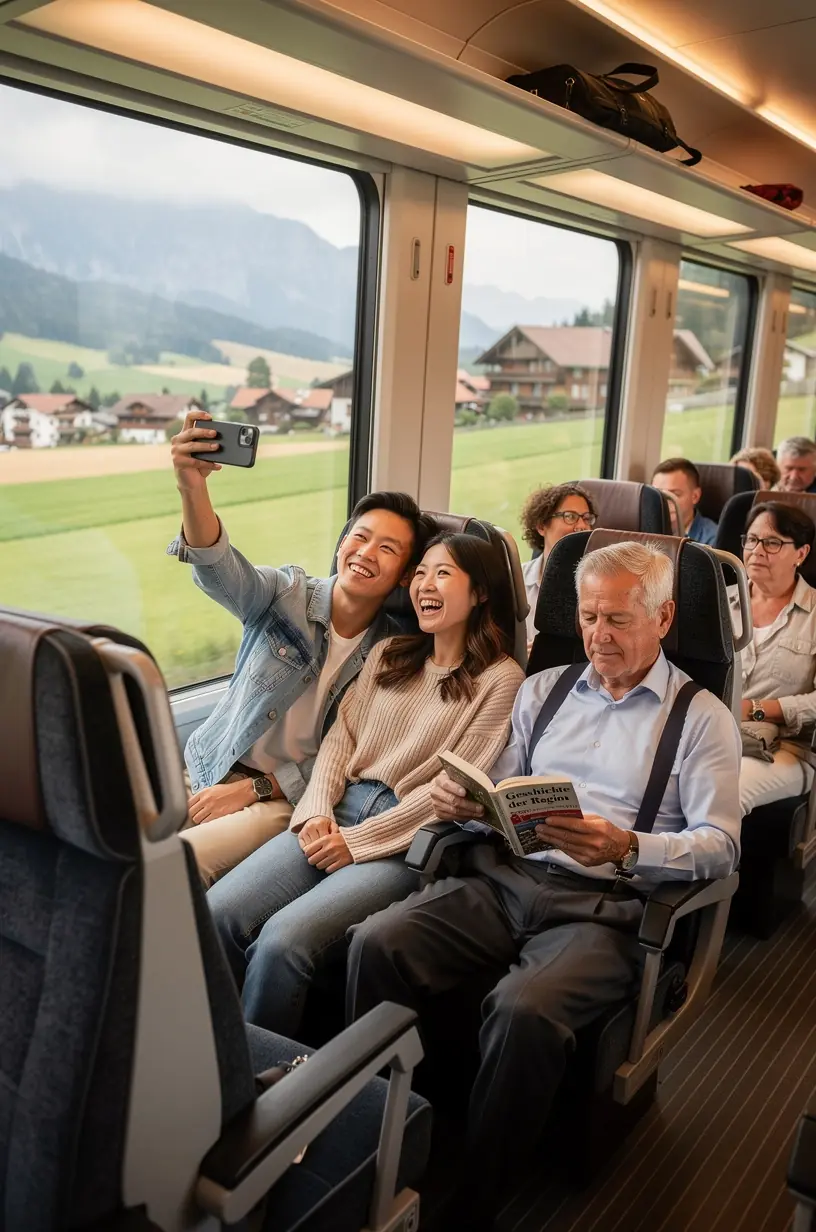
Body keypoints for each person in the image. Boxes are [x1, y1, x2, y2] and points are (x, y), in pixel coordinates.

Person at [346, 541, 741, 1232]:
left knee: (523, 1009)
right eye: (588, 617)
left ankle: (476, 1197)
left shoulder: (702, 719)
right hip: (506, 877)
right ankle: (381, 1134)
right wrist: (467, 802)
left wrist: (629, 845)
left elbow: (722, 847)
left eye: (617, 619)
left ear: (666, 616)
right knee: (375, 944)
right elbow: (501, 785)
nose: (598, 635)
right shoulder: (544, 688)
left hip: (608, 907)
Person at [209, 531, 525, 1035]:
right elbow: (339, 741)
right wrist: (315, 812)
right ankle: (213, 1056)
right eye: (420, 572)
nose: (425, 584)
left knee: (281, 942)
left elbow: (451, 788)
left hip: (405, 841)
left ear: (481, 591)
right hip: (336, 812)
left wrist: (355, 844)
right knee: (218, 912)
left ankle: (268, 1089)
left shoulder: (501, 679)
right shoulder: (391, 655)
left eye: (443, 573)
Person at [167, 408, 436, 886]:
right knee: (113, 848)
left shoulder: (397, 652)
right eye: (360, 537)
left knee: (177, 865)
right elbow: (219, 569)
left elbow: (356, 757)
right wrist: (193, 486)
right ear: (341, 543)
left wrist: (256, 789)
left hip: (283, 798)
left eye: (388, 550)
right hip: (211, 762)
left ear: (405, 574)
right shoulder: (284, 593)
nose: (366, 554)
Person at [733, 502, 816, 814]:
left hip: (788, 748)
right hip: (714, 735)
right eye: (751, 540)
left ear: (801, 554)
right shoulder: (719, 602)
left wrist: (755, 710)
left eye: (773, 542)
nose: (757, 550)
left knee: (725, 792)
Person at [520, 481, 598, 647]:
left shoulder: (598, 583)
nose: (582, 526)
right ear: (541, 525)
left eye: (586, 518)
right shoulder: (516, 579)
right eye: (570, 517)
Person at [651, 457, 718, 544]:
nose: (665, 502)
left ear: (695, 496)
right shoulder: (643, 530)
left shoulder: (712, 540)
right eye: (659, 494)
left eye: (675, 494)